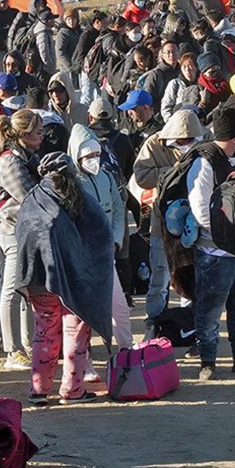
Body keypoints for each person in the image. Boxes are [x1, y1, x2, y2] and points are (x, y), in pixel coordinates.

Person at [16, 152, 116, 405]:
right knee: (76, 332)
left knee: (44, 332)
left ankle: (38, 390)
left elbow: (23, 235)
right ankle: (72, 390)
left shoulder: (33, 198)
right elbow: (102, 234)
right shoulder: (80, 198)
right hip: (76, 279)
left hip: (39, 278)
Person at [186, 108, 235, 380]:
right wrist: (227, 235)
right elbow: (200, 209)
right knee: (209, 310)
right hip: (214, 252)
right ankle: (208, 359)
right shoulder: (204, 163)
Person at [133, 109, 204, 336]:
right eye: (181, 140)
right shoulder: (153, 145)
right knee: (159, 276)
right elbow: (141, 176)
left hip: (194, 223)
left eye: (190, 140)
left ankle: (190, 328)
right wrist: (173, 173)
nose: (185, 144)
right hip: (161, 224)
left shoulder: (205, 143)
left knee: (190, 276)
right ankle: (154, 324)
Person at [0, 110, 43, 369]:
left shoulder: (26, 157)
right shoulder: (11, 162)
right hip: (10, 232)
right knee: (11, 291)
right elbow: (29, 195)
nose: (42, 135)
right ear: (23, 133)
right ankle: (12, 350)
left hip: (21, 231)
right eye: (38, 131)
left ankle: (27, 344)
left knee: (24, 290)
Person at [68, 124, 133, 350]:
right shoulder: (70, 183)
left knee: (120, 309)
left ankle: (127, 352)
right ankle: (83, 364)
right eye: (88, 155)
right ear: (76, 155)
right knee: (83, 318)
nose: (94, 159)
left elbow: (117, 208)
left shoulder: (106, 176)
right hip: (83, 259)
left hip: (106, 254)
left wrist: (115, 239)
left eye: (97, 154)